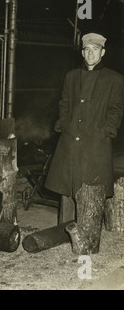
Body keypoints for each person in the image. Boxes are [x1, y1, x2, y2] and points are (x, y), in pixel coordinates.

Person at [44, 33, 124, 224]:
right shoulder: (71, 76)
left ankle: (88, 232)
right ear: (82, 52)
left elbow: (116, 109)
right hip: (70, 141)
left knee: (91, 191)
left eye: (95, 50)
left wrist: (106, 131)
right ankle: (64, 230)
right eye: (87, 50)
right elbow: (64, 103)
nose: (90, 54)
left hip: (96, 143)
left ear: (102, 52)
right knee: (68, 189)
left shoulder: (114, 79)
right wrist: (64, 123)